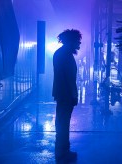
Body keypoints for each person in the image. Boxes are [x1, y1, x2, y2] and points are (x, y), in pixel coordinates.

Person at [52, 29, 82, 162]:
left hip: (62, 94)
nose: (79, 43)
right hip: (66, 95)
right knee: (63, 124)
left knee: (62, 123)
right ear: (71, 41)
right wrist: (73, 95)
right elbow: (69, 78)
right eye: (77, 41)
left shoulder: (61, 53)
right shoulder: (65, 55)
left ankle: (62, 151)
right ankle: (63, 153)